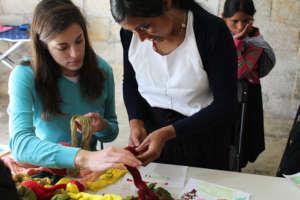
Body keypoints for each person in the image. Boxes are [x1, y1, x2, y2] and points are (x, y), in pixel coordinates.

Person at [8, 0, 141, 172]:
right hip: (47, 170)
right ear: (44, 46)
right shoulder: (24, 75)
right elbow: (20, 144)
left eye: (79, 41)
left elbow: (112, 131)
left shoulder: (102, 70)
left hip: (89, 172)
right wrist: (82, 157)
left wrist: (102, 127)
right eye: (62, 47)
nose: (75, 54)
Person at [110, 0, 238, 170]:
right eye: (132, 30)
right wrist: (136, 122)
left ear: (167, 3)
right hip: (152, 135)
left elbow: (226, 105)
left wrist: (168, 133)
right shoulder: (131, 35)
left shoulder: (211, 31)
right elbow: (131, 82)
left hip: (202, 135)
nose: (140, 38)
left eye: (145, 26)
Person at [222, 0, 276, 168]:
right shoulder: (217, 36)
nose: (240, 27)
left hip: (245, 101)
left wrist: (236, 43)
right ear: (223, 18)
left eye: (246, 21)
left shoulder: (255, 42)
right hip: (222, 98)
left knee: (239, 147)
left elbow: (239, 72)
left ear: (252, 19)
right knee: (220, 146)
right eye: (235, 21)